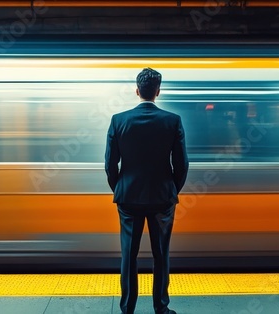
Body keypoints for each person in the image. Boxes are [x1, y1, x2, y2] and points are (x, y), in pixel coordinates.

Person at [105, 67, 188, 314]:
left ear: (137, 90)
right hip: (162, 197)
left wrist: (119, 187)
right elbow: (181, 164)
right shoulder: (172, 121)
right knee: (161, 254)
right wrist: (172, 188)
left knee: (128, 255)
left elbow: (110, 163)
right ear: (158, 92)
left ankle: (127, 308)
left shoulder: (118, 121)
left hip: (128, 198)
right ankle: (161, 308)